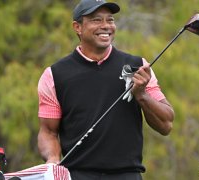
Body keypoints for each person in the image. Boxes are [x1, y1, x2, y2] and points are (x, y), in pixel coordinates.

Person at [37, 0, 175, 179]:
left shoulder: (138, 67)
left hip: (127, 175)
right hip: (78, 175)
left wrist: (141, 95)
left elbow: (166, 124)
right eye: (96, 20)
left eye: (110, 20)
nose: (106, 26)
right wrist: (53, 159)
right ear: (77, 27)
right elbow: (48, 131)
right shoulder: (54, 75)